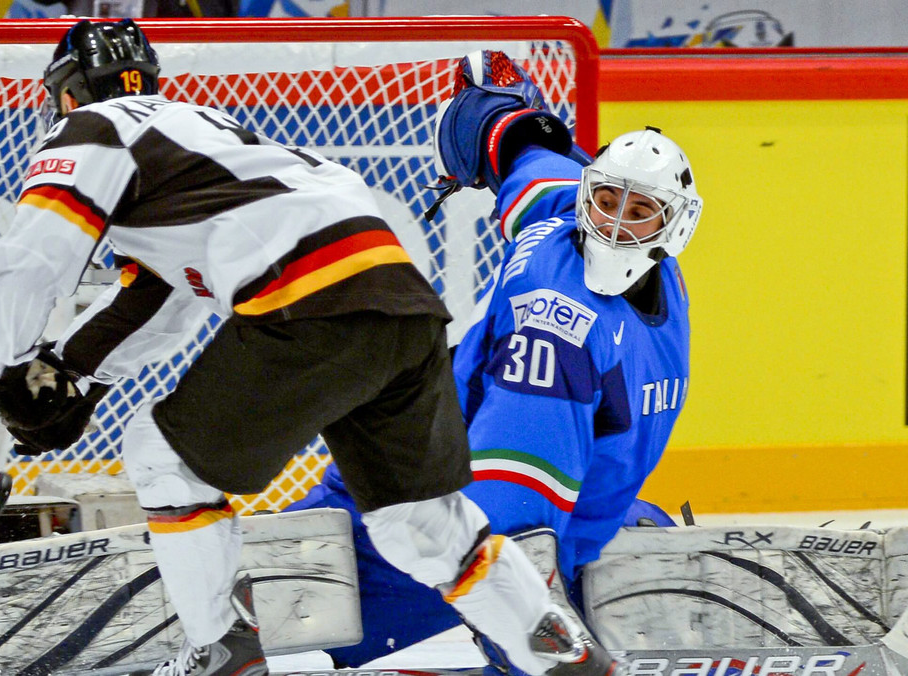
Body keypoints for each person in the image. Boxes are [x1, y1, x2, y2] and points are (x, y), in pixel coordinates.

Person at [0, 20, 617, 676]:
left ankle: (221, 652)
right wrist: (75, 371)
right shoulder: (198, 141)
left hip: (310, 302)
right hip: (403, 309)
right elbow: (158, 300)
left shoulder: (91, 127)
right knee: (421, 527)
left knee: (162, 457)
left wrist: (11, 365)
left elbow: (33, 259)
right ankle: (564, 654)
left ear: (68, 94)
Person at [286, 50, 702, 674]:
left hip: (439, 478)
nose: (614, 226)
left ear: (675, 228)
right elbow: (506, 529)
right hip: (415, 523)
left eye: (637, 211)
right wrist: (539, 636)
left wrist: (503, 116)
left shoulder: (562, 207)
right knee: (283, 619)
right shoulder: (556, 323)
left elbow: (525, 157)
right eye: (607, 201)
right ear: (590, 195)